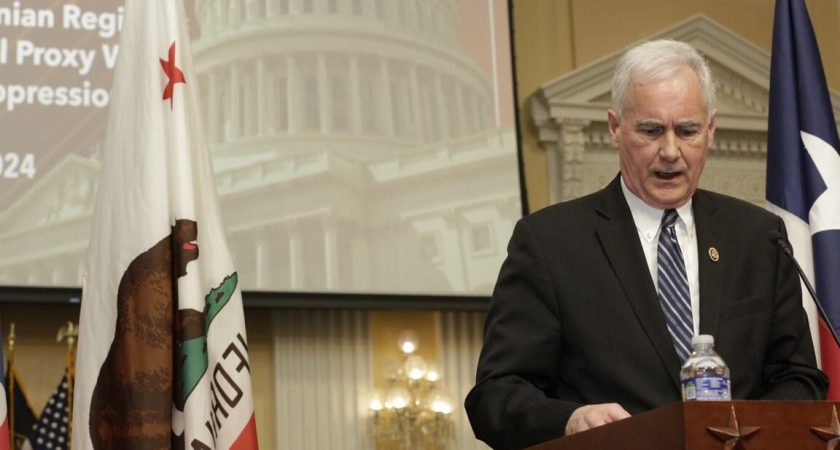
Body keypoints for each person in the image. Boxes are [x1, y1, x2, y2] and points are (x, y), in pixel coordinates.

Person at [464, 39, 828, 450]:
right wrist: (568, 419)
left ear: (710, 130)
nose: (670, 151)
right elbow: (495, 395)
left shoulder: (759, 237)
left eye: (687, 131)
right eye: (651, 131)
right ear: (615, 128)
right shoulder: (550, 242)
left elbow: (798, 377)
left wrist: (746, 432)